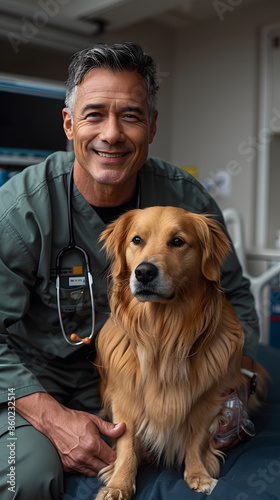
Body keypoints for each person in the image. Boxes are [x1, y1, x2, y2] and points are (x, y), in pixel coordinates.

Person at [0, 42, 260, 500]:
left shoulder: (188, 200)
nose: (112, 134)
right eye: (94, 114)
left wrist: (240, 384)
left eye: (132, 117)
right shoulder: (20, 212)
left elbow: (235, 299)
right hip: (35, 385)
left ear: (152, 126)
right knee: (29, 479)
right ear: (68, 123)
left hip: (152, 382)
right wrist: (50, 417)